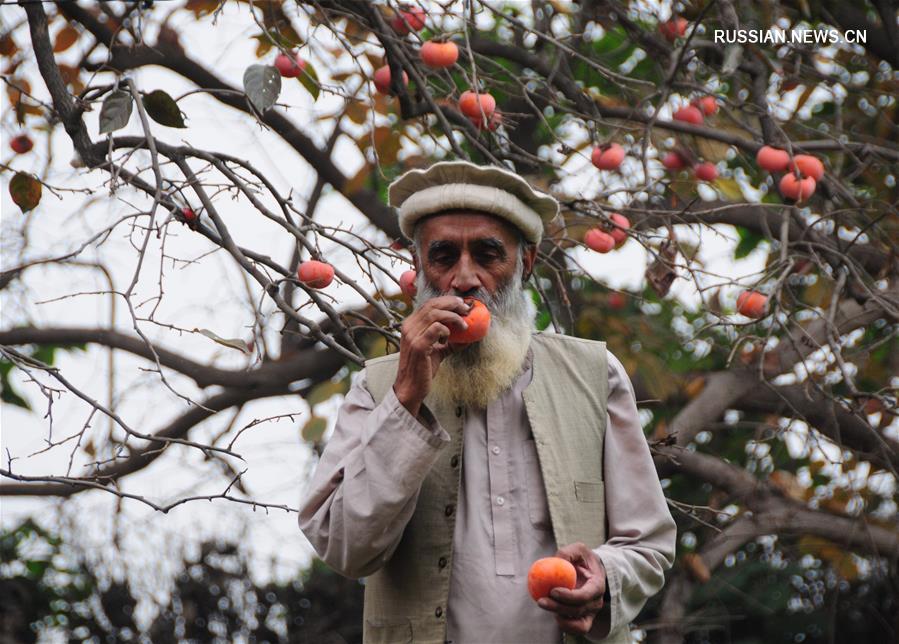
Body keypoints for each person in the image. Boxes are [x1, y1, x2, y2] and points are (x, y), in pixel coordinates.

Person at [298, 160, 676, 644]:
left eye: (487, 254)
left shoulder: (594, 375)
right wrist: (405, 400)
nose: (464, 278)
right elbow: (345, 549)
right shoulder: (378, 388)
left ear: (526, 263)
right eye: (443, 256)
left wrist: (605, 577)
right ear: (419, 269)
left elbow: (647, 543)